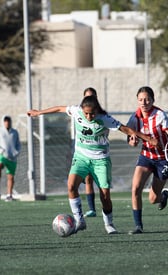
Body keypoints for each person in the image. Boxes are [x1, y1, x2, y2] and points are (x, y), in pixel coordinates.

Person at [27, 95, 157, 234]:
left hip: (101, 160)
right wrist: (38, 112)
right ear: (82, 109)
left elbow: (126, 129)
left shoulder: (104, 118)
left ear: (97, 110)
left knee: (105, 195)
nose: (89, 117)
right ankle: (79, 221)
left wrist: (147, 138)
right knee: (71, 186)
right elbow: (59, 108)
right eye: (86, 113)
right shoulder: (76, 111)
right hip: (81, 157)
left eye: (92, 113)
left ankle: (109, 224)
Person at [126, 86, 168, 234]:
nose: (144, 102)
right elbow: (130, 137)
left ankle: (163, 196)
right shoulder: (134, 118)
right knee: (135, 189)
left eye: (147, 99)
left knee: (153, 199)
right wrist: (132, 142)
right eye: (140, 99)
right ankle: (138, 226)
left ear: (153, 100)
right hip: (146, 157)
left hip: (164, 159)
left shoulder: (159, 115)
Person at [0, 115, 21, 202]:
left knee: (11, 177)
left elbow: (18, 144)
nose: (7, 123)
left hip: (12, 157)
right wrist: (1, 151)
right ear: (3, 122)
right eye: (5, 121)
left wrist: (17, 152)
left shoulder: (15, 132)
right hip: (2, 155)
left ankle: (9, 195)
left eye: (8, 121)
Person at [82, 87, 97, 218]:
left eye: (92, 97)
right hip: (83, 152)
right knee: (88, 179)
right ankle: (91, 209)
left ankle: (107, 216)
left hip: (99, 154)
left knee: (102, 185)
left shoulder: (101, 115)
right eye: (87, 97)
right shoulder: (80, 113)